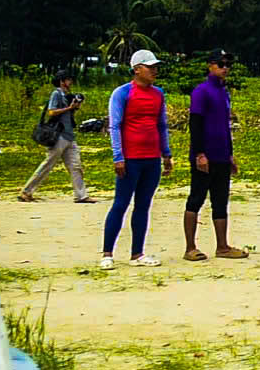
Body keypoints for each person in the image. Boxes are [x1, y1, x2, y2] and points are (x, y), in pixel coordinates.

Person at [101, 49, 173, 269]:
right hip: (130, 158)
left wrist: (166, 154)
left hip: (151, 158)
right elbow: (115, 125)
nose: (154, 71)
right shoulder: (122, 93)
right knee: (120, 204)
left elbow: (161, 124)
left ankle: (137, 254)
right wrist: (118, 156)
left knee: (143, 205)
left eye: (155, 67)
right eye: (150, 67)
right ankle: (107, 253)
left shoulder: (158, 93)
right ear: (137, 69)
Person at [183, 51, 245, 262]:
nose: (225, 67)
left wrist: (230, 155)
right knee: (196, 199)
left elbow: (225, 127)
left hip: (221, 155)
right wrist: (200, 154)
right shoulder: (201, 91)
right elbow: (196, 124)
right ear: (210, 65)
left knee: (221, 201)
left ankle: (223, 246)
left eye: (228, 64)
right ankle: (190, 247)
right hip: (204, 156)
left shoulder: (224, 92)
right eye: (220, 64)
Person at [19, 70, 91, 203]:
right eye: (68, 79)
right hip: (59, 136)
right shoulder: (56, 94)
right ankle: (26, 191)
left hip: (69, 136)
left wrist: (74, 107)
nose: (71, 82)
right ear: (62, 81)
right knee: (48, 164)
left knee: (76, 166)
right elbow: (51, 112)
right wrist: (69, 108)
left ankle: (81, 195)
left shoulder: (66, 95)